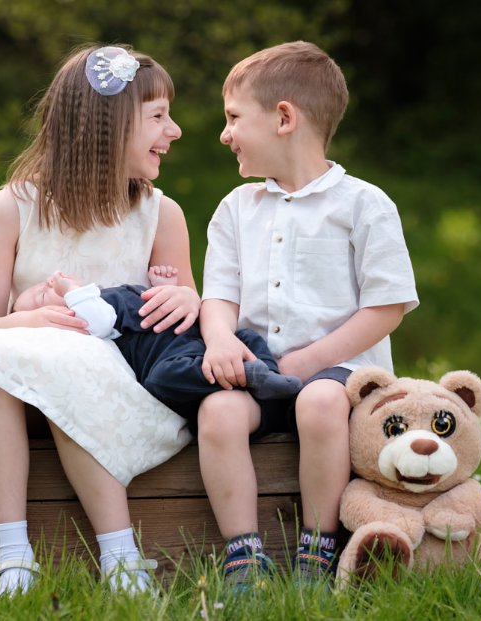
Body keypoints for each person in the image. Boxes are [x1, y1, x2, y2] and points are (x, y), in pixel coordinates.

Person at [0, 45, 202, 595]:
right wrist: (31, 320)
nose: (173, 131)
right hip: (16, 396)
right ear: (107, 126)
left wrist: (184, 301)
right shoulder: (9, 209)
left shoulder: (160, 216)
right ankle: (13, 556)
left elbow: (186, 311)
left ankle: (121, 556)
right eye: (158, 117)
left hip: (119, 398)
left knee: (68, 357)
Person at [196, 41, 420, 593]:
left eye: (233, 118)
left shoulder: (363, 204)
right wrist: (220, 338)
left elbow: (387, 306)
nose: (224, 134)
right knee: (218, 413)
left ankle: (318, 550)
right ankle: (244, 556)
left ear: (284, 118)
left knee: (318, 403)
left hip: (339, 373)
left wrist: (311, 360)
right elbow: (219, 295)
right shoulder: (236, 209)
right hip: (258, 367)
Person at [13, 266, 302, 423]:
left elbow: (159, 306)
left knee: (244, 336)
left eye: (41, 284)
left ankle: (269, 375)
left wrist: (165, 288)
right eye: (42, 296)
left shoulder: (106, 292)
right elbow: (99, 321)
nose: (48, 284)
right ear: (60, 315)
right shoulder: (86, 316)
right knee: (162, 380)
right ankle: (249, 375)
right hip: (171, 360)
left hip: (195, 336)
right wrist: (72, 291)